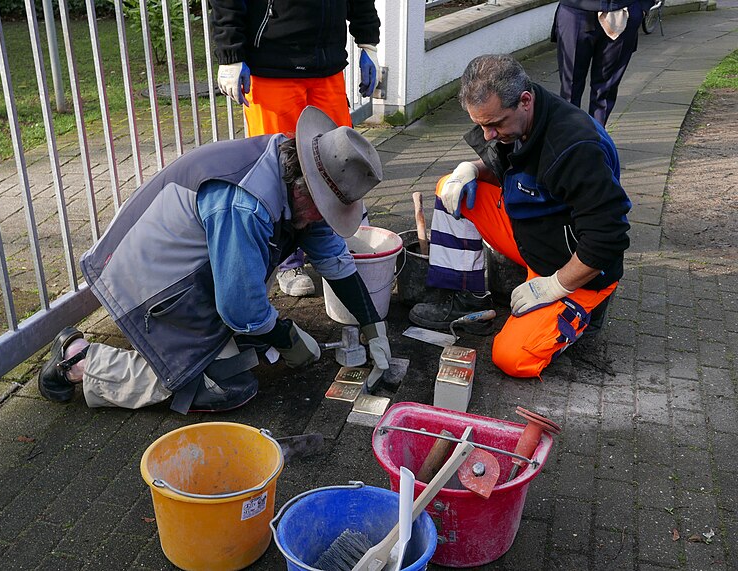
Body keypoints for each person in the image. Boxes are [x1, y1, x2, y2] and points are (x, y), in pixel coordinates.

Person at [38, 106, 391, 413]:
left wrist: (372, 326)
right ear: (306, 189)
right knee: (220, 382)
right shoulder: (246, 203)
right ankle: (79, 361)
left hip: (179, 270)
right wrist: (284, 335)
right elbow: (240, 308)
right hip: (145, 285)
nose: (324, 219)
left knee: (248, 335)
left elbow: (334, 260)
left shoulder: (295, 167)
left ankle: (200, 338)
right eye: (325, 210)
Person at [412, 54, 631, 379]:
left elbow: (608, 238)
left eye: (494, 124)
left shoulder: (575, 148)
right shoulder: (519, 120)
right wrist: (471, 169)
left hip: (572, 266)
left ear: (525, 100)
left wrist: (553, 286)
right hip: (532, 234)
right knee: (451, 189)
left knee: (512, 358)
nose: (487, 135)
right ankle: (465, 295)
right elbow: (513, 170)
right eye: (481, 124)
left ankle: (585, 312)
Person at [211, 0, 381, 298]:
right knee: (278, 172)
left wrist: (368, 42)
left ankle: (332, 250)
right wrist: (230, 52)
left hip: (326, 64)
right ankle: (287, 261)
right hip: (272, 64)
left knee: (338, 165)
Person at [552, 0, 652, 126]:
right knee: (570, 89)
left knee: (606, 89)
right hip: (575, 11)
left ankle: (597, 139)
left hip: (622, 12)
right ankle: (570, 138)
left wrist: (643, 6)